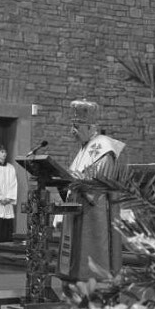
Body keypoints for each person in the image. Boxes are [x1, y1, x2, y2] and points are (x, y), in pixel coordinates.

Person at [57, 99, 126, 282]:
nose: (73, 132)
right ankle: (76, 281)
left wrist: (78, 183)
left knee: (93, 254)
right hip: (79, 209)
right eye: (73, 126)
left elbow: (100, 185)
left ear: (89, 127)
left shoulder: (104, 150)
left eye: (76, 127)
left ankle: (93, 281)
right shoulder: (84, 148)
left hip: (95, 214)